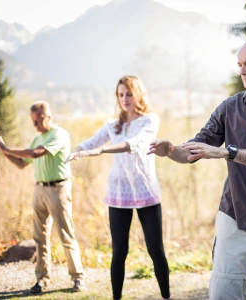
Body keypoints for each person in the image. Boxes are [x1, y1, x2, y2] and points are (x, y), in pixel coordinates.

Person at [148, 38, 246, 300]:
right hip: (233, 213)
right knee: (222, 293)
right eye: (240, 65)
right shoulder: (228, 108)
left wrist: (227, 152)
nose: (243, 71)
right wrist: (171, 151)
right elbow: (194, 151)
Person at [66, 75, 170, 300]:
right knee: (119, 252)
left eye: (129, 94)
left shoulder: (150, 120)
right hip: (118, 193)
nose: (125, 99)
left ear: (138, 94)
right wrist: (77, 151)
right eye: (121, 95)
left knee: (155, 249)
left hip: (145, 191)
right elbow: (91, 143)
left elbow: (136, 144)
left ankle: (166, 296)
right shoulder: (113, 125)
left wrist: (103, 151)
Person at [0, 101, 85, 293]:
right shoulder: (37, 137)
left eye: (38, 120)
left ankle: (78, 278)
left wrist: (7, 148)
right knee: (39, 238)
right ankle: (42, 280)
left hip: (58, 189)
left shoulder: (59, 134)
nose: (36, 125)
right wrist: (3, 151)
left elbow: (36, 153)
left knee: (66, 234)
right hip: (39, 189)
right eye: (33, 121)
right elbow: (22, 163)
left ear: (48, 116)